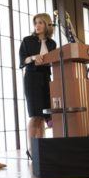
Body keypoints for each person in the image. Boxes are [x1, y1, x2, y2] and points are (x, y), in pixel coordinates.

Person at [19, 13, 56, 159]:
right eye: (36, 23)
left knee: (43, 116)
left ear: (47, 25)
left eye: (41, 23)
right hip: (32, 78)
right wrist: (35, 57)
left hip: (46, 79)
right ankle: (31, 148)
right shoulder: (27, 40)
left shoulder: (52, 43)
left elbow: (54, 59)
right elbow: (22, 60)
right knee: (35, 115)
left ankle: (40, 147)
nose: (37, 25)